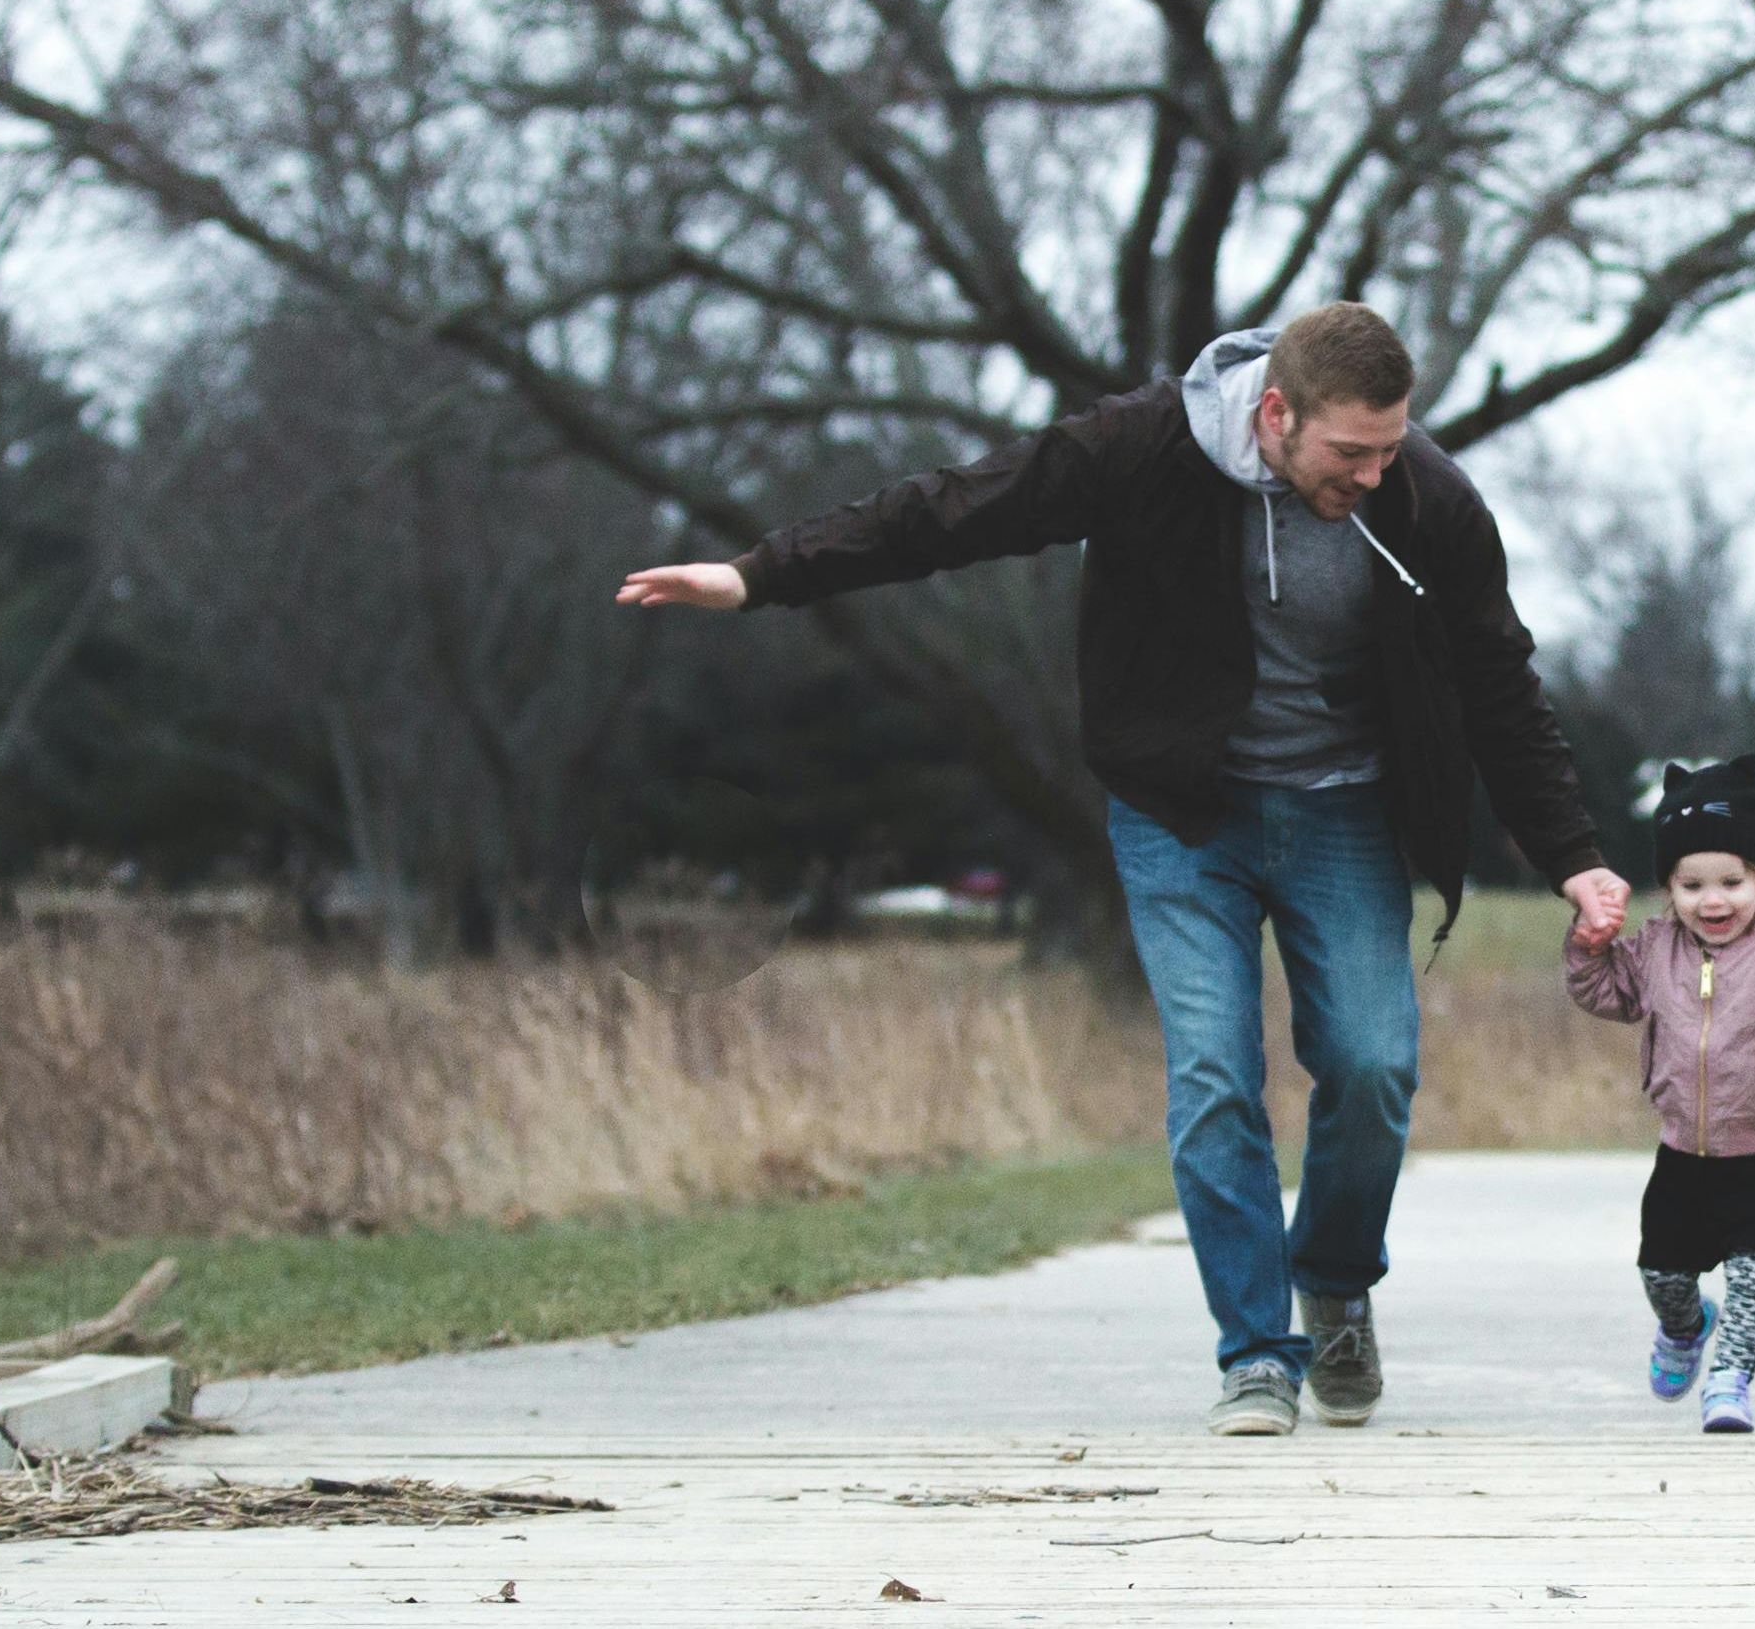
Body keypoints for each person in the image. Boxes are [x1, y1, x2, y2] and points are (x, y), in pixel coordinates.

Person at [616, 304, 1630, 1436]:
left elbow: (1500, 682)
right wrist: (758, 576)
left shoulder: (1427, 499)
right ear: (1276, 412)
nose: (1373, 474)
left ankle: (1336, 1281)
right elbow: (956, 510)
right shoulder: (1143, 446)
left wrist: (1574, 861)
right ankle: (1256, 1352)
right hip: (1179, 812)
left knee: (1373, 1064)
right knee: (1212, 1078)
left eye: (1390, 447)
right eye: (1350, 454)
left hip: (1340, 811)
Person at [1563, 755, 1755, 1434]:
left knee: (1754, 1281)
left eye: (1731, 881)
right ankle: (1687, 1323)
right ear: (1668, 889)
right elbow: (1602, 993)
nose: (1713, 900)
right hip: (1683, 1153)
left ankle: (1728, 1383)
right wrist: (1587, 949)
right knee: (1662, 1275)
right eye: (1691, 884)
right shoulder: (1653, 949)